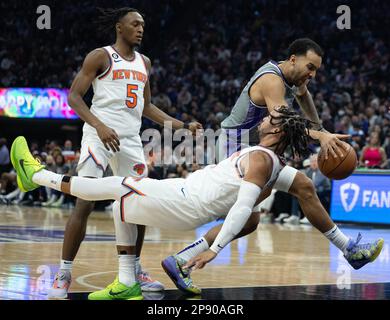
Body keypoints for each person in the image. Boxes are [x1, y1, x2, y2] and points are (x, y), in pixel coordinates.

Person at [10, 107, 384, 299]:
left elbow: (241, 209)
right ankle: (140, 276)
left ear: (277, 130)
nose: (264, 120)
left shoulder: (260, 160)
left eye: (270, 119)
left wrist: (216, 248)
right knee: (121, 198)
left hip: (180, 202)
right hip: (181, 198)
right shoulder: (274, 164)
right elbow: (298, 189)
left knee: (113, 185)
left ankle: (35, 175)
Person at [160, 38, 381, 293]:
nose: (313, 74)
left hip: (255, 149)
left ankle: (350, 251)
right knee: (249, 212)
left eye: (317, 70)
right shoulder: (272, 80)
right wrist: (321, 137)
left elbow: (304, 97)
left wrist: (322, 130)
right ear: (293, 59)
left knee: (297, 191)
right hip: (236, 148)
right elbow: (286, 121)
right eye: (310, 67)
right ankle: (182, 257)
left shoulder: (292, 79)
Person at [48, 7, 202, 298]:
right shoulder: (100, 56)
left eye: (143, 24)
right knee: (85, 201)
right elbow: (74, 97)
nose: (141, 28)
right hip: (98, 136)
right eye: (135, 24)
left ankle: (134, 271)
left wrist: (182, 124)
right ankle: (63, 273)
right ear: (120, 27)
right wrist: (100, 125)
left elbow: (146, 107)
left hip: (130, 141)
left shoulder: (145, 62)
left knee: (138, 206)